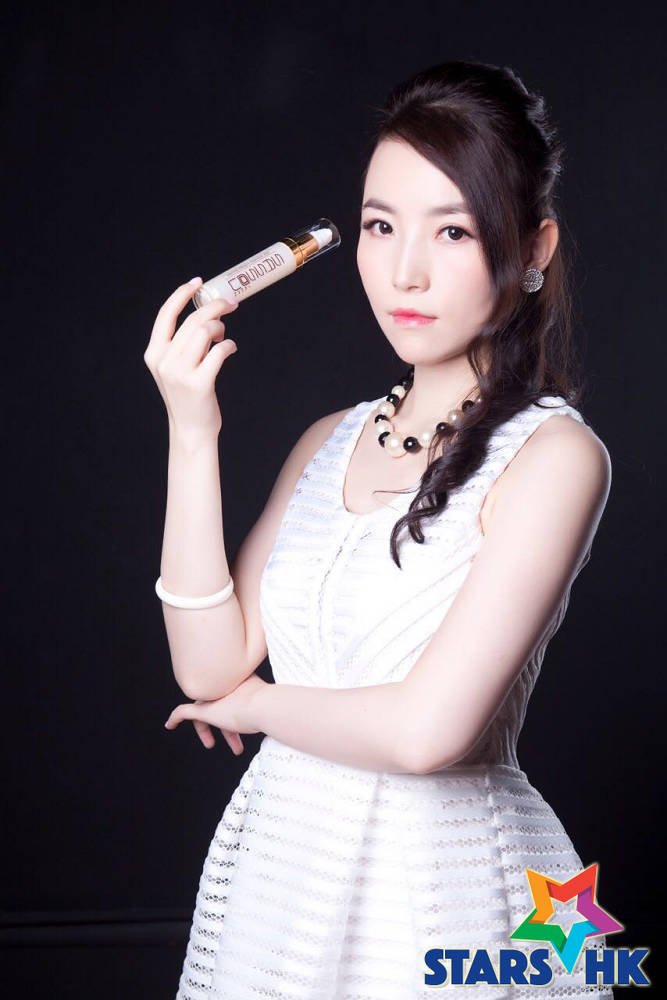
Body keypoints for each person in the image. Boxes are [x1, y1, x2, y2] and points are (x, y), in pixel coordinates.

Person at [144, 60, 614, 999]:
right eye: (379, 226)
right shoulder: (328, 441)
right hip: (282, 879)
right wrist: (191, 430)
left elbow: (426, 732)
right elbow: (206, 665)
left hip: (440, 897)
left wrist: (256, 708)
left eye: (452, 230)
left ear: (533, 247)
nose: (405, 271)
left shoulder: (553, 456)